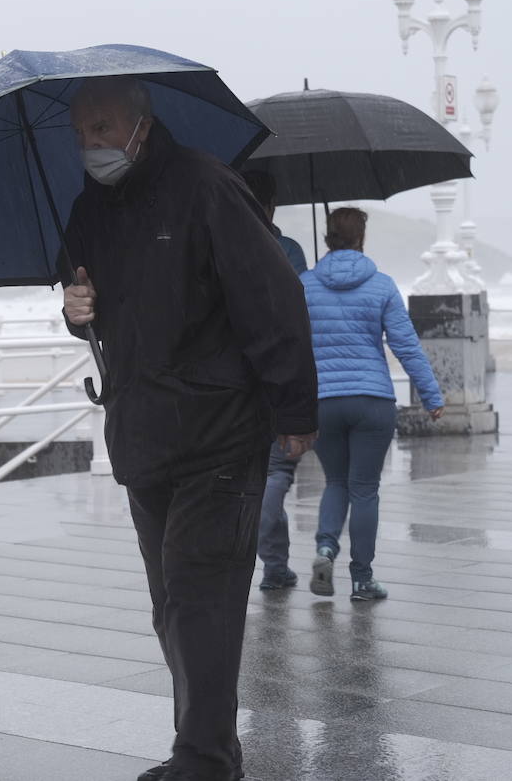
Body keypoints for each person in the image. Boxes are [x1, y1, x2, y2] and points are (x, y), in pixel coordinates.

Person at [60, 77, 318, 781]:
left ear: (141, 124)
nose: (93, 145)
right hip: (142, 433)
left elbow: (273, 296)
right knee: (170, 604)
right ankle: (201, 751)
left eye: (104, 128)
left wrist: (295, 411)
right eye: (82, 133)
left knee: (199, 595)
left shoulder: (207, 188)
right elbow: (81, 291)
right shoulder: (89, 211)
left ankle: (202, 762)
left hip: (219, 432)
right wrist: (75, 305)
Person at [300, 207, 444, 601]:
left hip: (324, 401)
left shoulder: (305, 286)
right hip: (372, 401)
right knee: (364, 489)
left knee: (335, 482)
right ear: (361, 238)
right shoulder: (381, 286)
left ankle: (325, 548)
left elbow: (292, 348)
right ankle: (362, 579)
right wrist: (431, 396)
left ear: (328, 238)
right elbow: (406, 346)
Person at [239, 170, 309, 592]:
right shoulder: (289, 251)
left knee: (258, 477)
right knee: (275, 476)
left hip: (236, 384)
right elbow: (296, 319)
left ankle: (271, 564)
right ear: (273, 205)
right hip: (275, 381)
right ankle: (267, 560)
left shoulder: (225, 242)